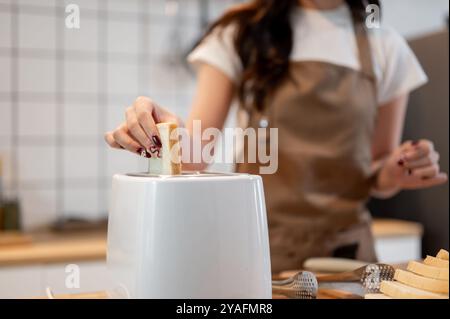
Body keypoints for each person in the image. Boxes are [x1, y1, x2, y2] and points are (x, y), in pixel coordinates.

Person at [105, 0, 447, 273]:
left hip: (348, 258)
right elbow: (194, 154)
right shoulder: (242, 32)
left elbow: (378, 174)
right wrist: (164, 134)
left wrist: (399, 168)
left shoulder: (385, 45)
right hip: (258, 250)